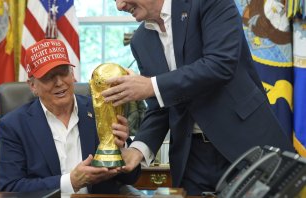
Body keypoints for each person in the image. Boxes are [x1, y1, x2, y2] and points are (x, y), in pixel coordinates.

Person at [102, 0, 295, 195]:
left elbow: (220, 64)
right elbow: (159, 106)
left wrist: (151, 85)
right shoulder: (140, 41)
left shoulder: (208, 2)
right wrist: (138, 149)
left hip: (244, 144)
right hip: (191, 159)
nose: (119, 6)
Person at [0, 38, 140, 194]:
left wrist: (123, 148)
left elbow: (132, 178)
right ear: (33, 86)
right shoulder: (14, 125)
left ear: (73, 75)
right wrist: (70, 182)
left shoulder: (102, 110)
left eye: (63, 72)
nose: (59, 82)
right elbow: (10, 188)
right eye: (48, 77)